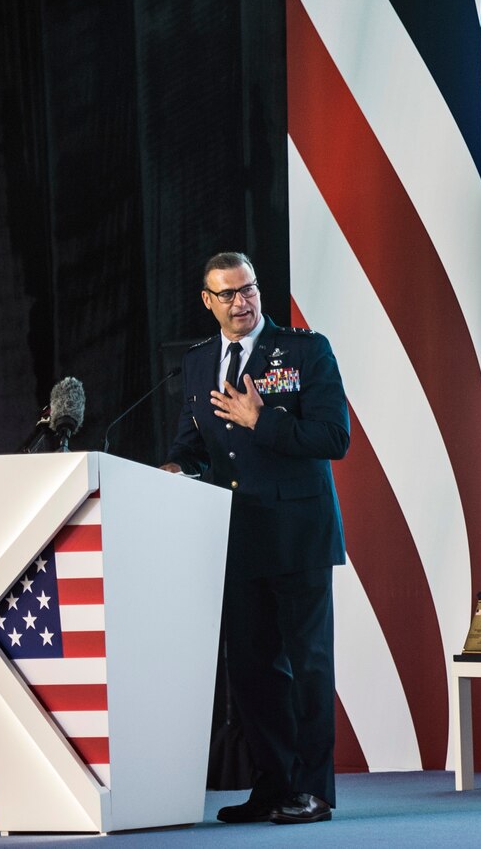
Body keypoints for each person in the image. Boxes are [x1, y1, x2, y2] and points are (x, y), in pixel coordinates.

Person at [160, 252, 348, 825]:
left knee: (308, 668)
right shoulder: (196, 364)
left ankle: (312, 791)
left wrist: (261, 420)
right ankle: (271, 787)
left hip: (298, 536)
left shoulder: (304, 351)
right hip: (236, 539)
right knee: (251, 672)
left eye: (250, 290)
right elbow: (190, 441)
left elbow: (333, 436)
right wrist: (173, 467)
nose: (243, 302)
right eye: (229, 294)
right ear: (207, 301)